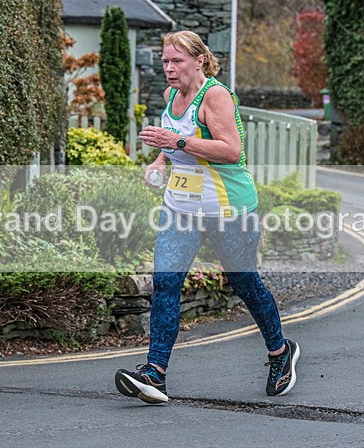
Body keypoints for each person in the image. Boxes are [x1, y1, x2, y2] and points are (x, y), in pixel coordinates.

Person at [114, 30, 300, 404]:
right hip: (181, 207)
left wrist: (177, 143)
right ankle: (155, 373)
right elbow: (173, 140)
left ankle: (281, 353)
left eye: (176, 61)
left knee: (244, 283)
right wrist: (159, 161)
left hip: (227, 208)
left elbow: (230, 150)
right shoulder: (172, 96)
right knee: (166, 282)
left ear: (200, 60)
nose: (168, 68)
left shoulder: (215, 96)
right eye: (165, 61)